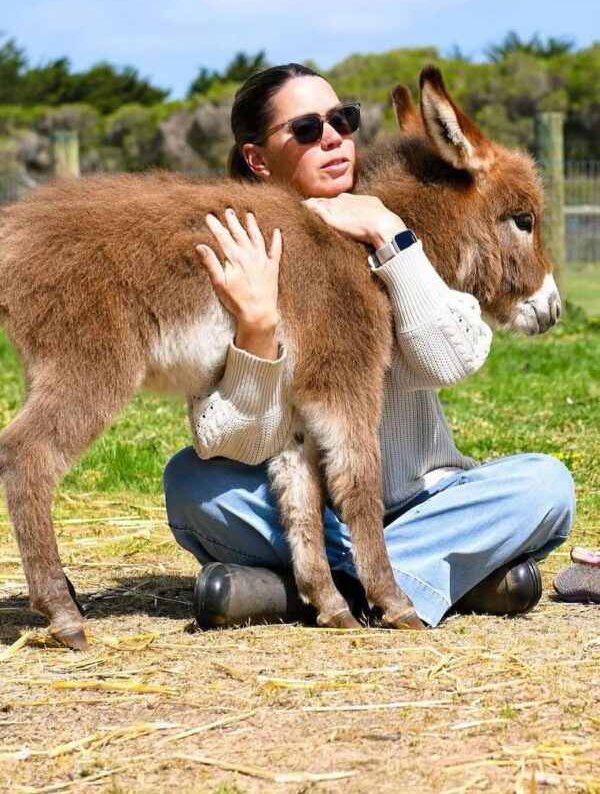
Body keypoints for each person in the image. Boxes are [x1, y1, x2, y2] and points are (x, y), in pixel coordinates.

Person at [163, 63, 575, 629]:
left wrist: (391, 237)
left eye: (342, 119)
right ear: (258, 159)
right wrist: (256, 331)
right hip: (304, 511)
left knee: (546, 485)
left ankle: (299, 588)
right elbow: (226, 441)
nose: (332, 137)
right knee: (191, 484)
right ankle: (434, 577)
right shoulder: (234, 249)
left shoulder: (406, 223)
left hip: (421, 500)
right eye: (306, 129)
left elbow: (452, 359)